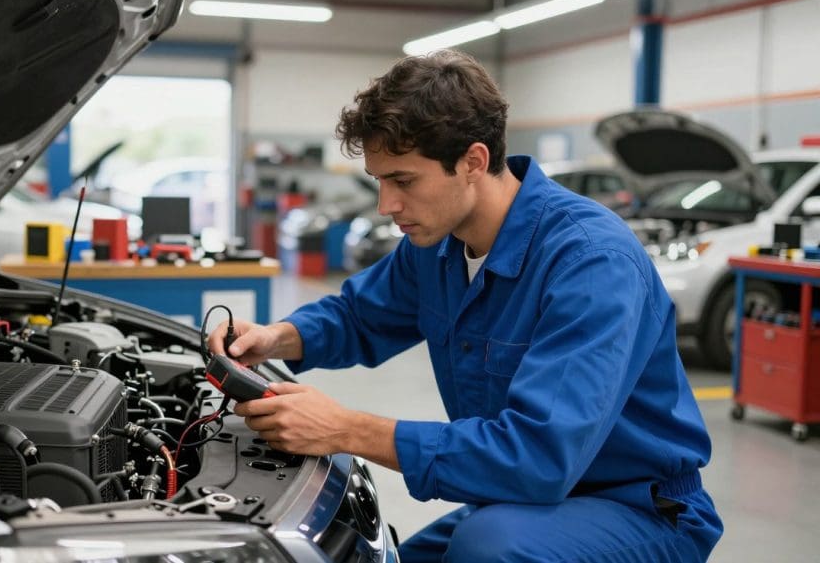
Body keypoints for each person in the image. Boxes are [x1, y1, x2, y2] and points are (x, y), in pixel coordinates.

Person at [208, 50, 722, 562]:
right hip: (522, 498)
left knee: (487, 548)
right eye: (379, 181)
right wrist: (275, 337)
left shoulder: (590, 264)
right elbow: (359, 314)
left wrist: (346, 429)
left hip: (639, 508)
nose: (386, 206)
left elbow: (540, 456)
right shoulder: (436, 248)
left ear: (473, 162)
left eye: (403, 180)